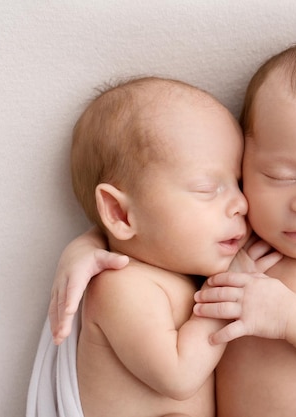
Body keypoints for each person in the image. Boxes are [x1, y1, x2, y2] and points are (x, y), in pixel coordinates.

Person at [50, 39, 296, 417]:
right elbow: (157, 237)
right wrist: (85, 248)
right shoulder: (235, 246)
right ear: (245, 162)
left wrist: (291, 316)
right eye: (280, 175)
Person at [62, 76, 279, 417]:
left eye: (238, 183)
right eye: (209, 188)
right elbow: (179, 376)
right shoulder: (120, 285)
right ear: (120, 212)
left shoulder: (185, 267)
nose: (240, 203)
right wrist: (226, 294)